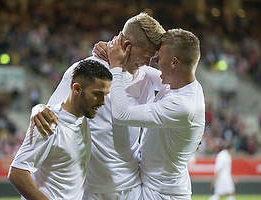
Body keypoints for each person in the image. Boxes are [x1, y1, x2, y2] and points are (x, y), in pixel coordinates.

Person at [30, 12, 165, 200]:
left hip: (132, 189)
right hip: (90, 191)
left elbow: (186, 83)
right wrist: (37, 108)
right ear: (127, 46)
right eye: (145, 56)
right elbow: (54, 113)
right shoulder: (86, 71)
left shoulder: (146, 77)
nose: (147, 63)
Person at [106, 29, 205, 199]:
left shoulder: (181, 105)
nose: (155, 62)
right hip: (160, 187)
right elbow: (138, 69)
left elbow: (121, 114)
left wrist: (115, 66)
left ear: (174, 63)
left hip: (161, 193)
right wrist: (108, 49)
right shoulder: (181, 85)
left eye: (160, 57)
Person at [8, 60, 112, 200]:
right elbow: (17, 173)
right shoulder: (48, 123)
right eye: (97, 94)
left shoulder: (84, 117)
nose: (103, 101)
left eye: (105, 94)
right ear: (76, 89)